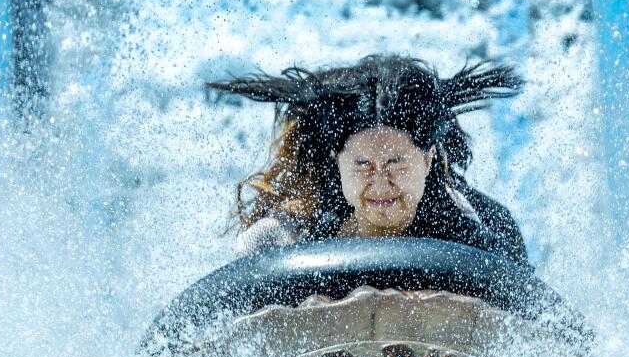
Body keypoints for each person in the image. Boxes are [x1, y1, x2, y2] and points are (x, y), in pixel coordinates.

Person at [207, 54, 530, 267]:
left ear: (429, 159)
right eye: (363, 166)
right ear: (338, 162)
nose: (380, 183)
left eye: (396, 165)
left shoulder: (476, 240)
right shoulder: (294, 233)